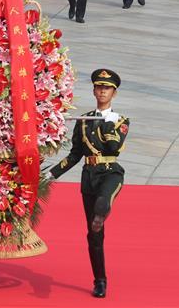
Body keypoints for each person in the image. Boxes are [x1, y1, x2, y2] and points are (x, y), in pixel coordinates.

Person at [48, 69, 129, 300]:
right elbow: (74, 155)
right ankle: (100, 280)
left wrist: (106, 124)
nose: (103, 91)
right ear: (94, 90)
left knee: (103, 202)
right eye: (99, 87)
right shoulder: (84, 121)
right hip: (89, 177)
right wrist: (52, 174)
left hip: (111, 173)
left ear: (114, 93)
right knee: (94, 236)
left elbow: (113, 148)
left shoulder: (121, 120)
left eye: (107, 88)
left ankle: (100, 214)